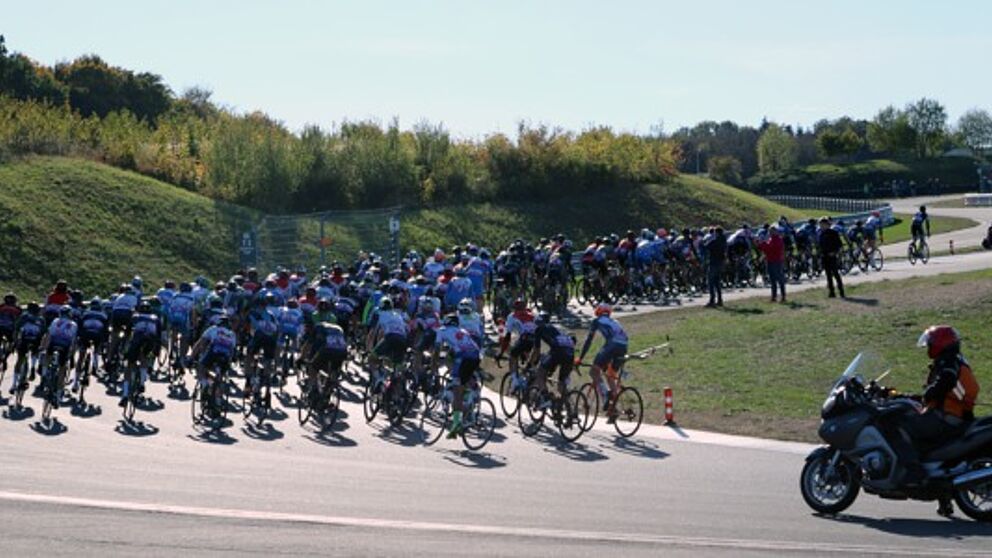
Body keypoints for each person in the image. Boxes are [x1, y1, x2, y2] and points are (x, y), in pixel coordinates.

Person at [892, 326, 979, 514]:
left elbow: (944, 382)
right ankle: (945, 501)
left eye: (930, 343)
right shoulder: (956, 360)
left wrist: (930, 392)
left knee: (898, 427)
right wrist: (905, 396)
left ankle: (913, 473)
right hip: (954, 416)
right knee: (933, 452)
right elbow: (938, 394)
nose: (928, 347)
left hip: (946, 418)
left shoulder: (948, 362)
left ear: (941, 343)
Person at [575, 303, 628, 421]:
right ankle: (613, 409)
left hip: (612, 345)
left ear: (598, 312)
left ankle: (605, 395)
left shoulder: (596, 321)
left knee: (594, 371)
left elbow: (589, 340)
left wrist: (581, 358)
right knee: (610, 376)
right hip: (624, 346)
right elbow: (624, 338)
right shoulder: (615, 322)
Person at [433, 315, 482, 438]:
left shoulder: (441, 330)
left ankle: (456, 423)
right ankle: (472, 392)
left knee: (457, 390)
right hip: (476, 355)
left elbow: (438, 348)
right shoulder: (462, 331)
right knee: (463, 378)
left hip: (463, 357)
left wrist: (434, 361)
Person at [818, 217, 845, 299]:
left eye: (823, 224)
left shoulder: (833, 233)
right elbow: (820, 245)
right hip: (824, 256)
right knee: (828, 275)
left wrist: (835, 252)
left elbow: (839, 244)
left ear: (827, 225)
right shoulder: (820, 234)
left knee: (836, 274)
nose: (821, 226)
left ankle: (841, 291)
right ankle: (831, 292)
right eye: (820, 225)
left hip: (832, 256)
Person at [758, 226, 786, 303]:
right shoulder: (770, 240)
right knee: (772, 280)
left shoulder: (778, 240)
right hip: (770, 261)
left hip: (777, 261)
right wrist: (760, 244)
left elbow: (769, 248)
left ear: (776, 232)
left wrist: (763, 243)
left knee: (779, 279)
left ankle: (783, 296)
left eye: (772, 231)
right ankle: (774, 297)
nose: (770, 233)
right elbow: (766, 249)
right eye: (770, 231)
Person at [703, 226, 726, 307]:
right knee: (717, 282)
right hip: (721, 263)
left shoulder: (714, 241)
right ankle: (720, 300)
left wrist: (710, 238)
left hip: (713, 262)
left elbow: (706, 246)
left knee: (711, 282)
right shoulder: (724, 241)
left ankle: (712, 300)